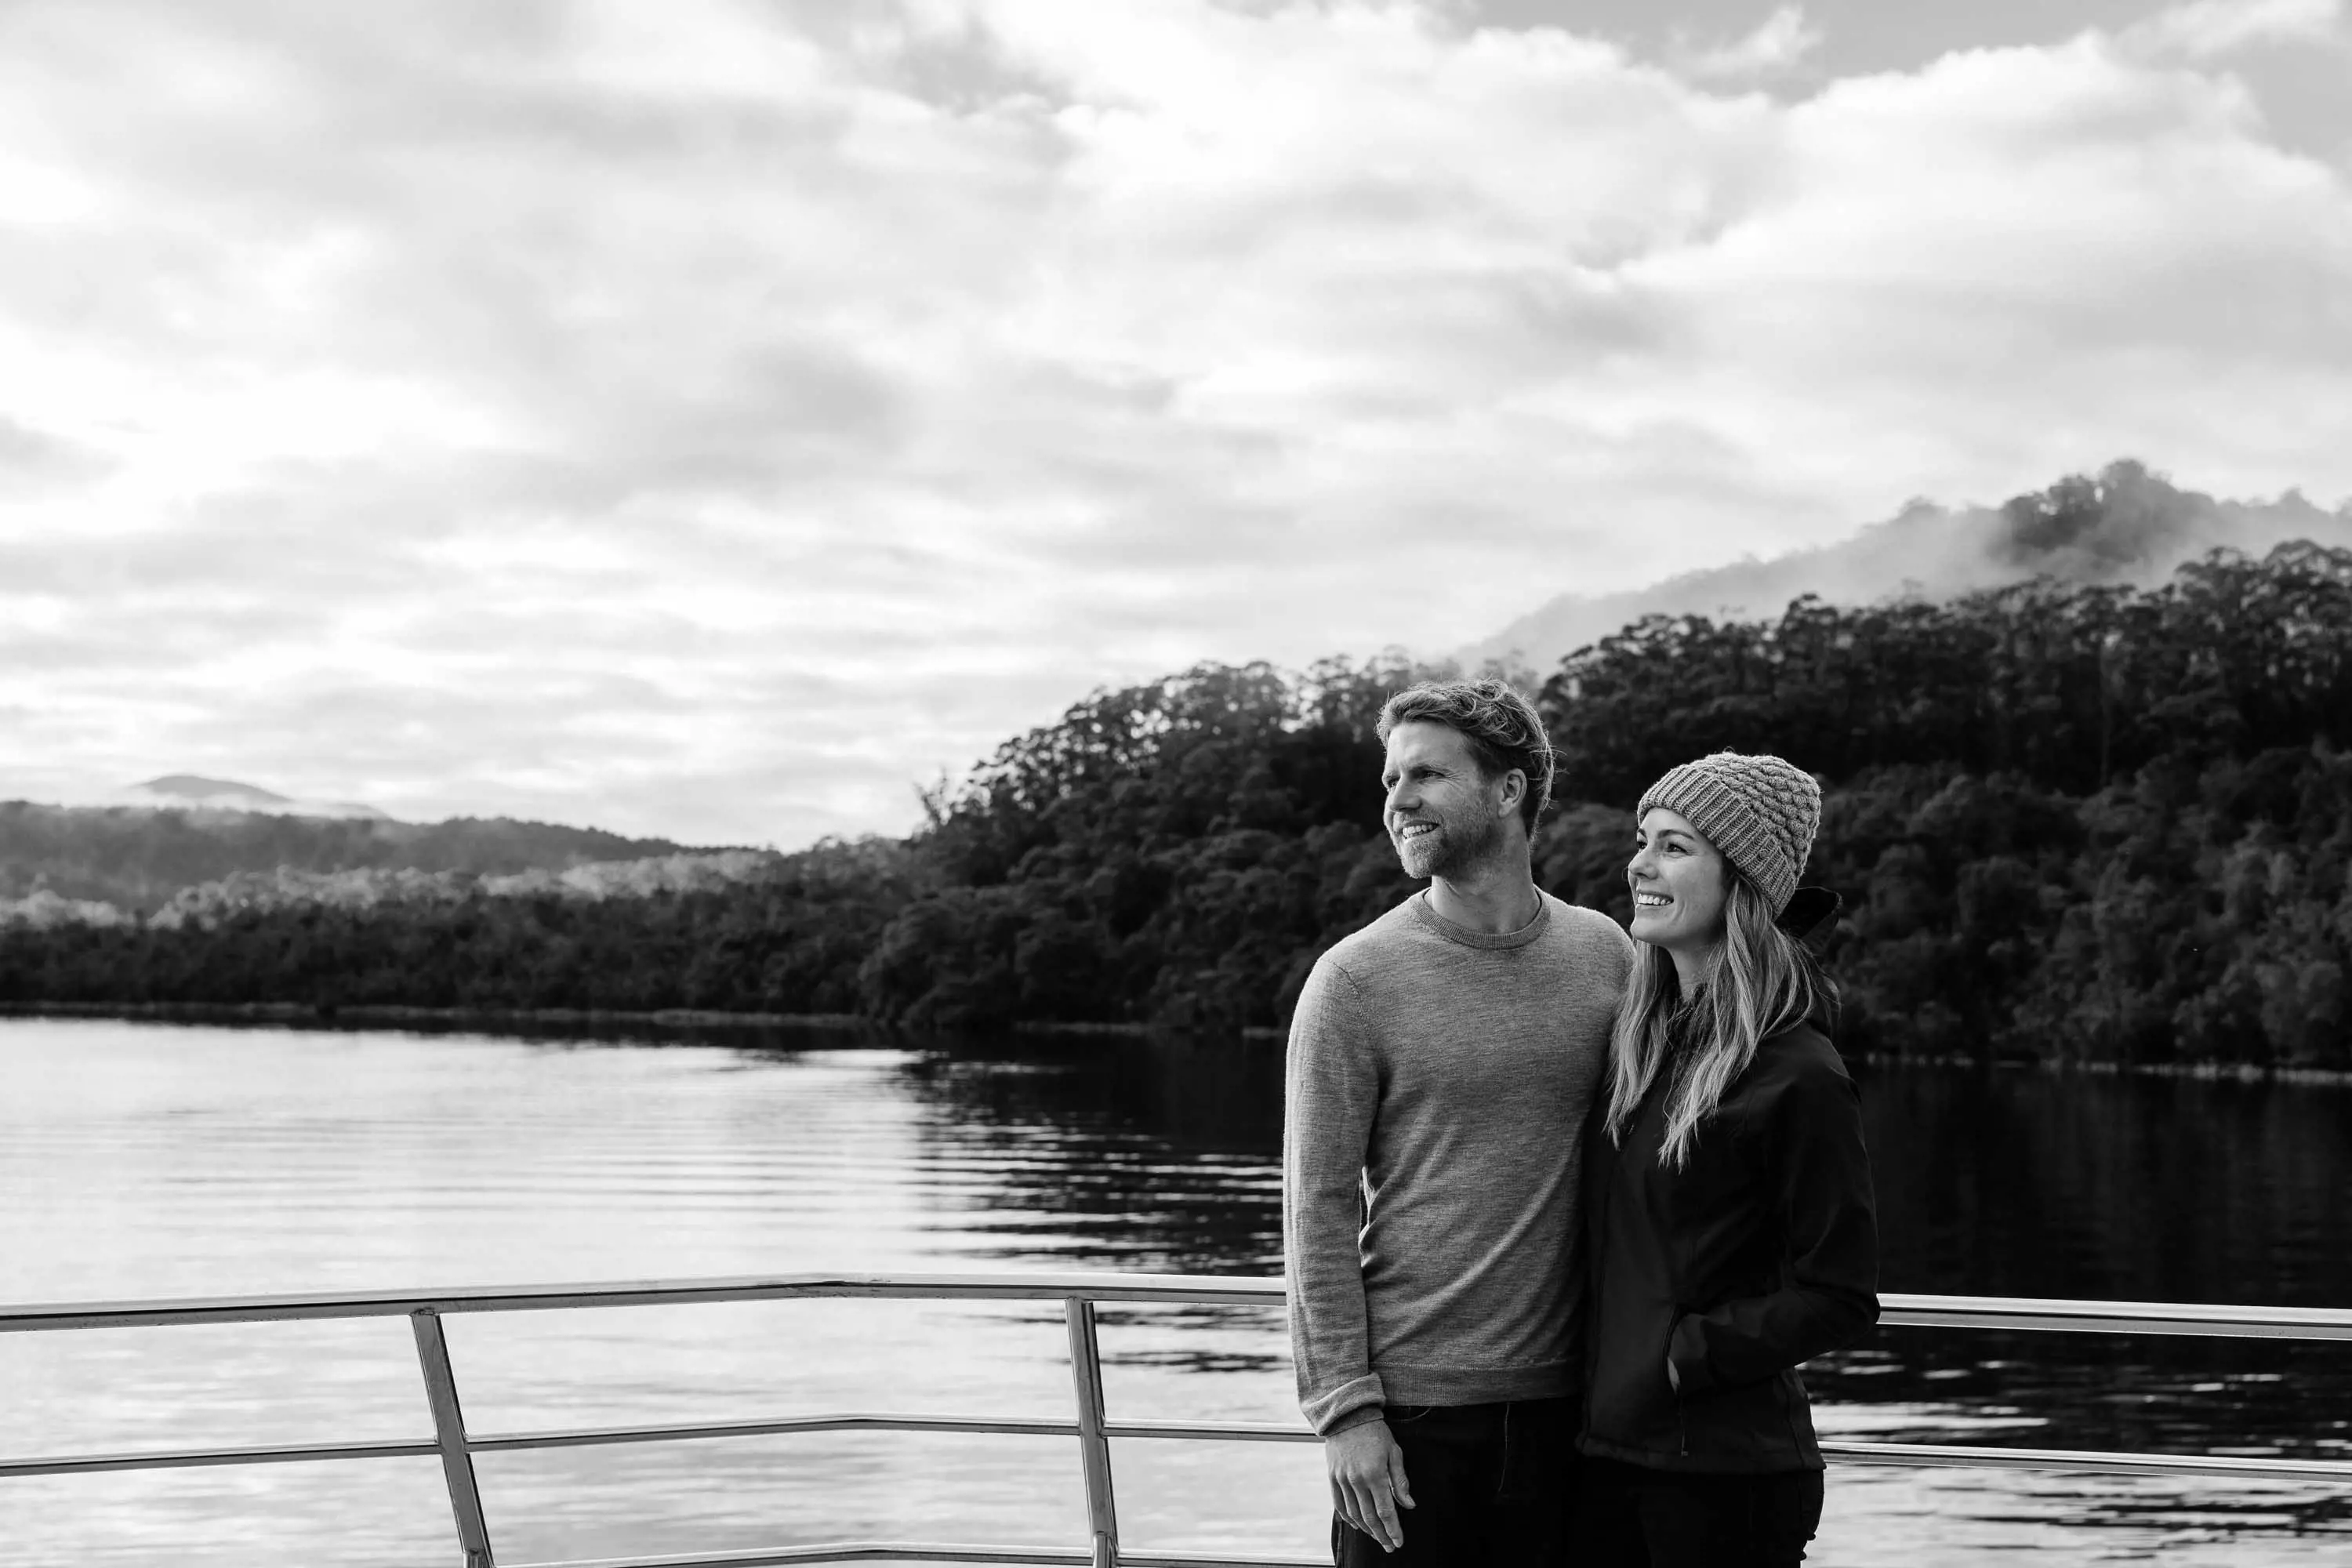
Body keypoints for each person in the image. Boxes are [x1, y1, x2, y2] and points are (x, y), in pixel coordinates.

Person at [1284, 678, 1636, 1566]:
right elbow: (1315, 1211)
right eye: (1390, 779)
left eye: (1426, 775)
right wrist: (1346, 1411)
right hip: (1411, 1427)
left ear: (1509, 789)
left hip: (1576, 1415)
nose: (1397, 800)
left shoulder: (1609, 956)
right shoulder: (1353, 980)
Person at [1577, 752, 1879, 1567]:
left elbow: (1840, 1292)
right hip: (1608, 1460)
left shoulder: (1798, 1070)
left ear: (1741, 881)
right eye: (1644, 839)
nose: (1640, 862)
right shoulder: (1641, 1045)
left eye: (1675, 846)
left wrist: (1680, 1358)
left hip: (1725, 1478)